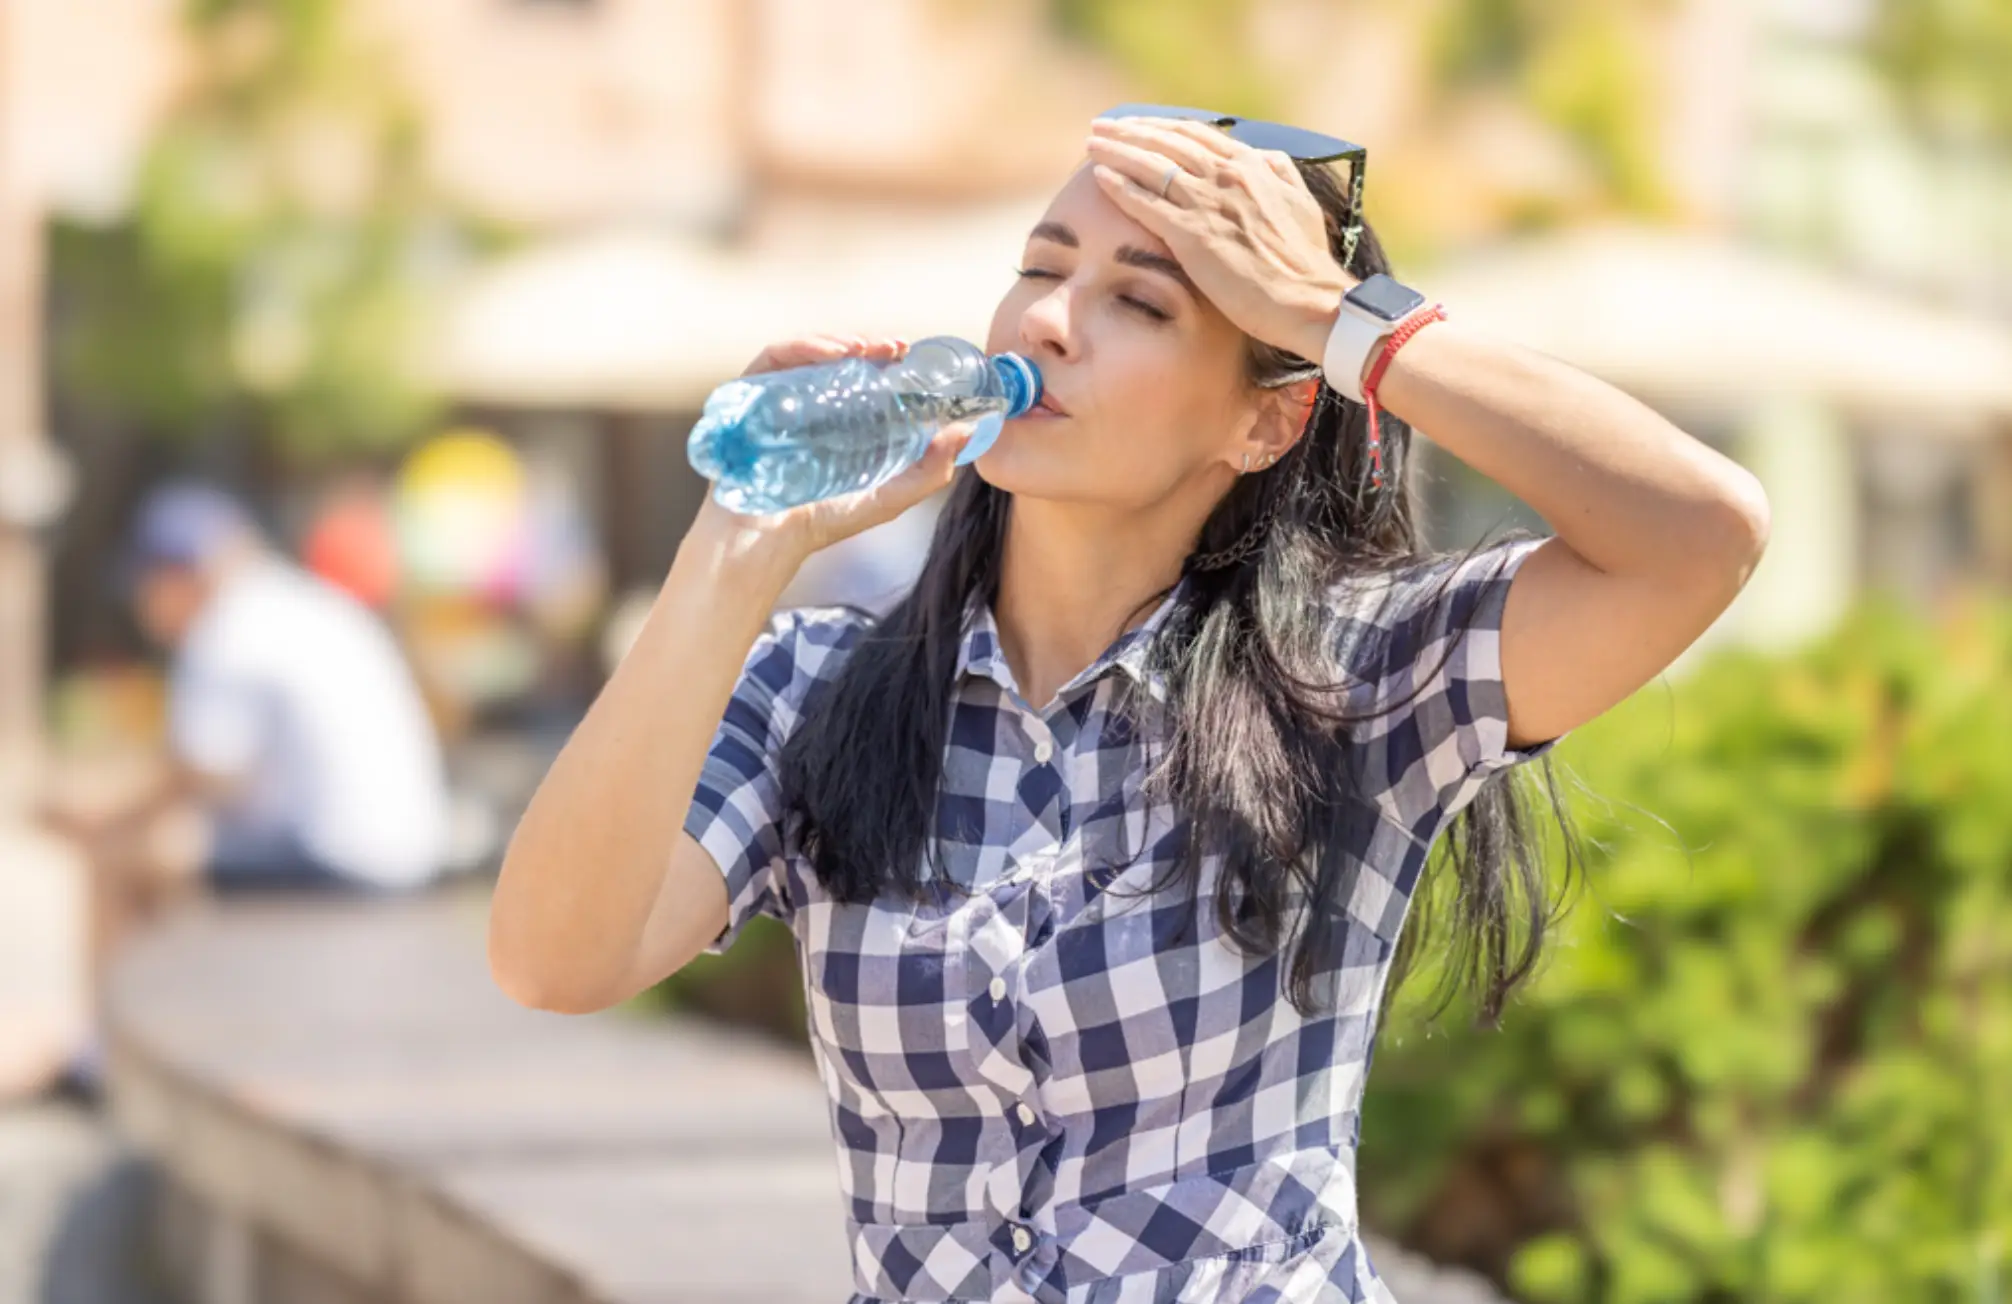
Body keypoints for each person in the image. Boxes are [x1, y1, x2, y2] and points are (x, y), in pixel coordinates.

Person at [489, 108, 1769, 1303]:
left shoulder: (1355, 680)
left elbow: (1696, 537)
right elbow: (557, 956)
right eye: (1039, 268)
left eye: (1138, 303)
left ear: (1266, 421)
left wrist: (1342, 319)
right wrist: (738, 548)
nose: (1047, 321)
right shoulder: (821, 689)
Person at [50, 483, 451, 979]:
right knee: (171, 845)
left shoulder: (232, 626)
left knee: (126, 859)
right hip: (404, 854)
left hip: (342, 865)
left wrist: (103, 821)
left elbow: (199, 774)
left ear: (176, 578)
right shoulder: (293, 602)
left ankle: (116, 1043)